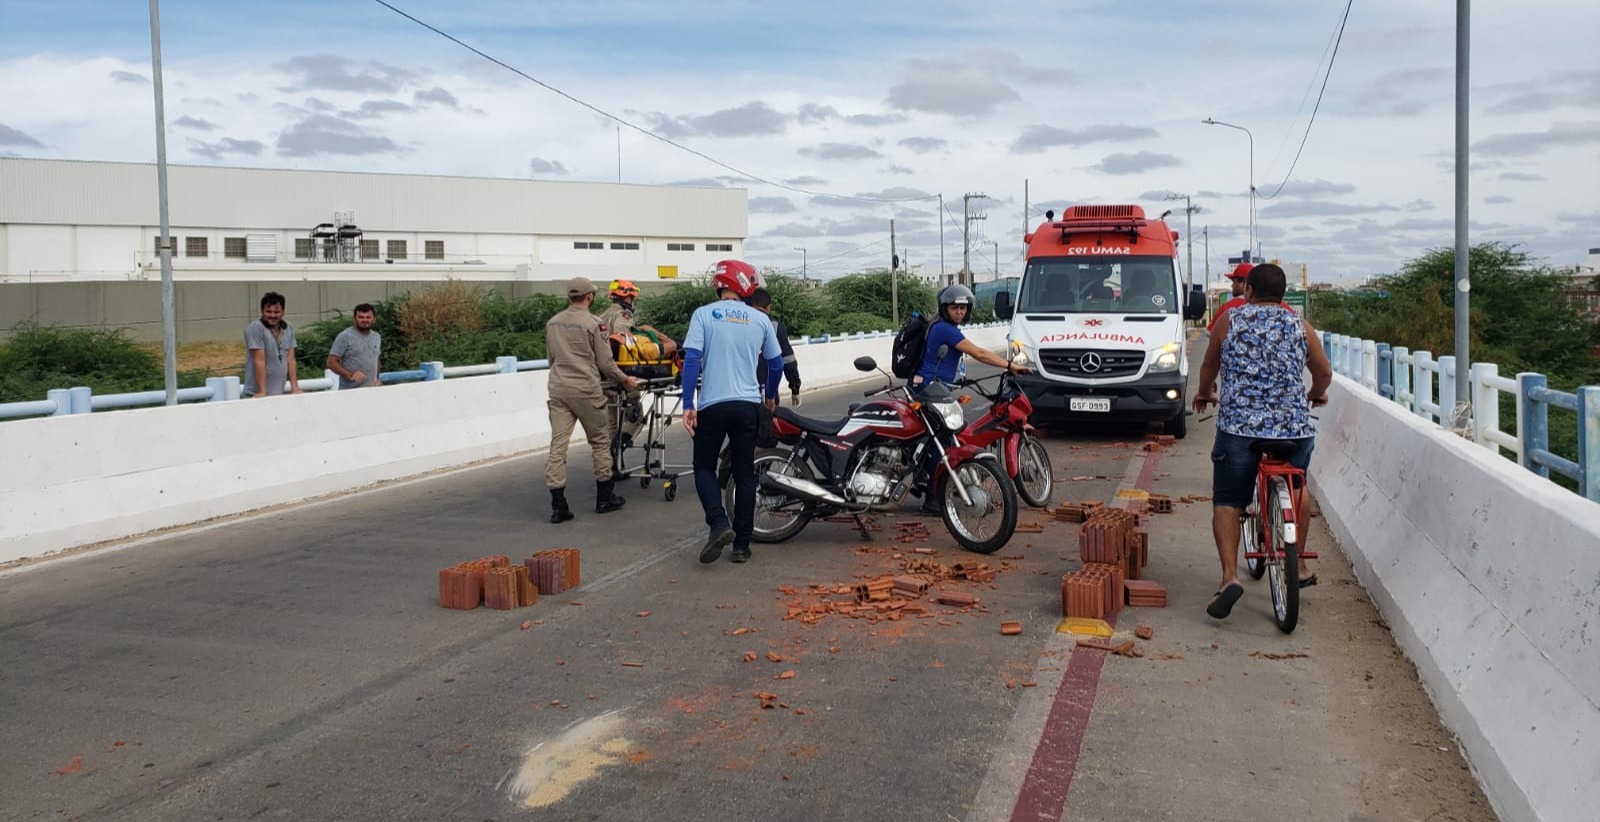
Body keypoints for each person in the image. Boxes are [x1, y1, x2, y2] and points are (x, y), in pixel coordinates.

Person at [1192, 263, 1334, 620]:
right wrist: (1316, 393)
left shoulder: (1230, 321)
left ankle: (1229, 578)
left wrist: (1204, 392)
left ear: (1249, 291)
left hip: (1240, 429)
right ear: (1283, 294)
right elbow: (1323, 372)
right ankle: (1299, 565)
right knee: (1297, 485)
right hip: (1292, 429)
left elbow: (1209, 366)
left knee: (1228, 501)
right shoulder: (1300, 326)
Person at [680, 260, 783, 565]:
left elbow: (691, 360)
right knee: (744, 473)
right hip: (747, 406)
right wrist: (769, 395)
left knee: (703, 467)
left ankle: (718, 523)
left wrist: (688, 404)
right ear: (744, 285)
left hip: (712, 405)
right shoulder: (760, 319)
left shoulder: (703, 314)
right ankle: (741, 546)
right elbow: (776, 364)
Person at [910, 284, 1029, 515]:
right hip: (929, 389)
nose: (959, 312)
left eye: (963, 308)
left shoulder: (942, 327)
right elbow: (979, 353)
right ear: (944, 308)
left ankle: (938, 485)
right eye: (954, 308)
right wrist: (1009, 365)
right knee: (943, 442)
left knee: (938, 440)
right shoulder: (945, 329)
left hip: (935, 388)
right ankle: (933, 499)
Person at [545, 277, 639, 524]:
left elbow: (551, 359)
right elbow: (606, 363)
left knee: (557, 447)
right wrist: (625, 380)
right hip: (586, 389)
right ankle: (605, 498)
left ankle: (558, 506)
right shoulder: (594, 324)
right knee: (600, 442)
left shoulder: (553, 323)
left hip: (558, 390)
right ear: (589, 297)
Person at [743, 288, 803, 406]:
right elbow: (788, 361)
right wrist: (795, 388)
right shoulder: (775, 327)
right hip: (766, 394)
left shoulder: (737, 323)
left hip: (738, 395)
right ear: (768, 307)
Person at [599, 279, 678, 359]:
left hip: (606, 355)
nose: (631, 301)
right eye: (631, 298)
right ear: (625, 297)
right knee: (673, 345)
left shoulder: (604, 314)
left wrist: (642, 328)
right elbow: (622, 334)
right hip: (626, 356)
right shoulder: (624, 314)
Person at [242, 291, 301, 398]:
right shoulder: (256, 328)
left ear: (283, 312)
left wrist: (295, 388)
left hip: (277, 393)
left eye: (276, 312)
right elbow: (259, 360)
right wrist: (262, 391)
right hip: (255, 395)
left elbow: (291, 360)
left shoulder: (288, 328)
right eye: (268, 312)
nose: (272, 315)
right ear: (262, 311)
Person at [326, 303, 382, 389]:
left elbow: (376, 359)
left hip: (371, 390)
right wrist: (350, 375)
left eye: (368, 317)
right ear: (354, 319)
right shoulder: (345, 336)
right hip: (350, 391)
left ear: (374, 319)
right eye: (361, 317)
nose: (365, 320)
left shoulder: (376, 336)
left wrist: (377, 378)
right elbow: (331, 362)